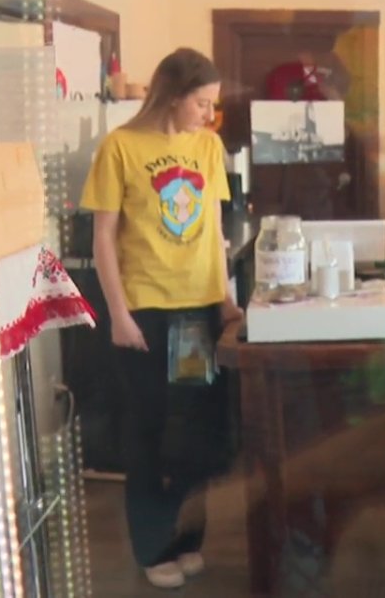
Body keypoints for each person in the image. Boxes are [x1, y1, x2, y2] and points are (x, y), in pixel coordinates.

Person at [81, 47, 242, 590]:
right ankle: (153, 549)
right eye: (202, 103)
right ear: (173, 98)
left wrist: (223, 298)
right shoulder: (120, 147)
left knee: (193, 432)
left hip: (197, 311)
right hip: (147, 312)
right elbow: (103, 237)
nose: (208, 114)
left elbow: (215, 225)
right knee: (148, 434)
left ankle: (187, 539)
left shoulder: (209, 146)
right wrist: (117, 314)